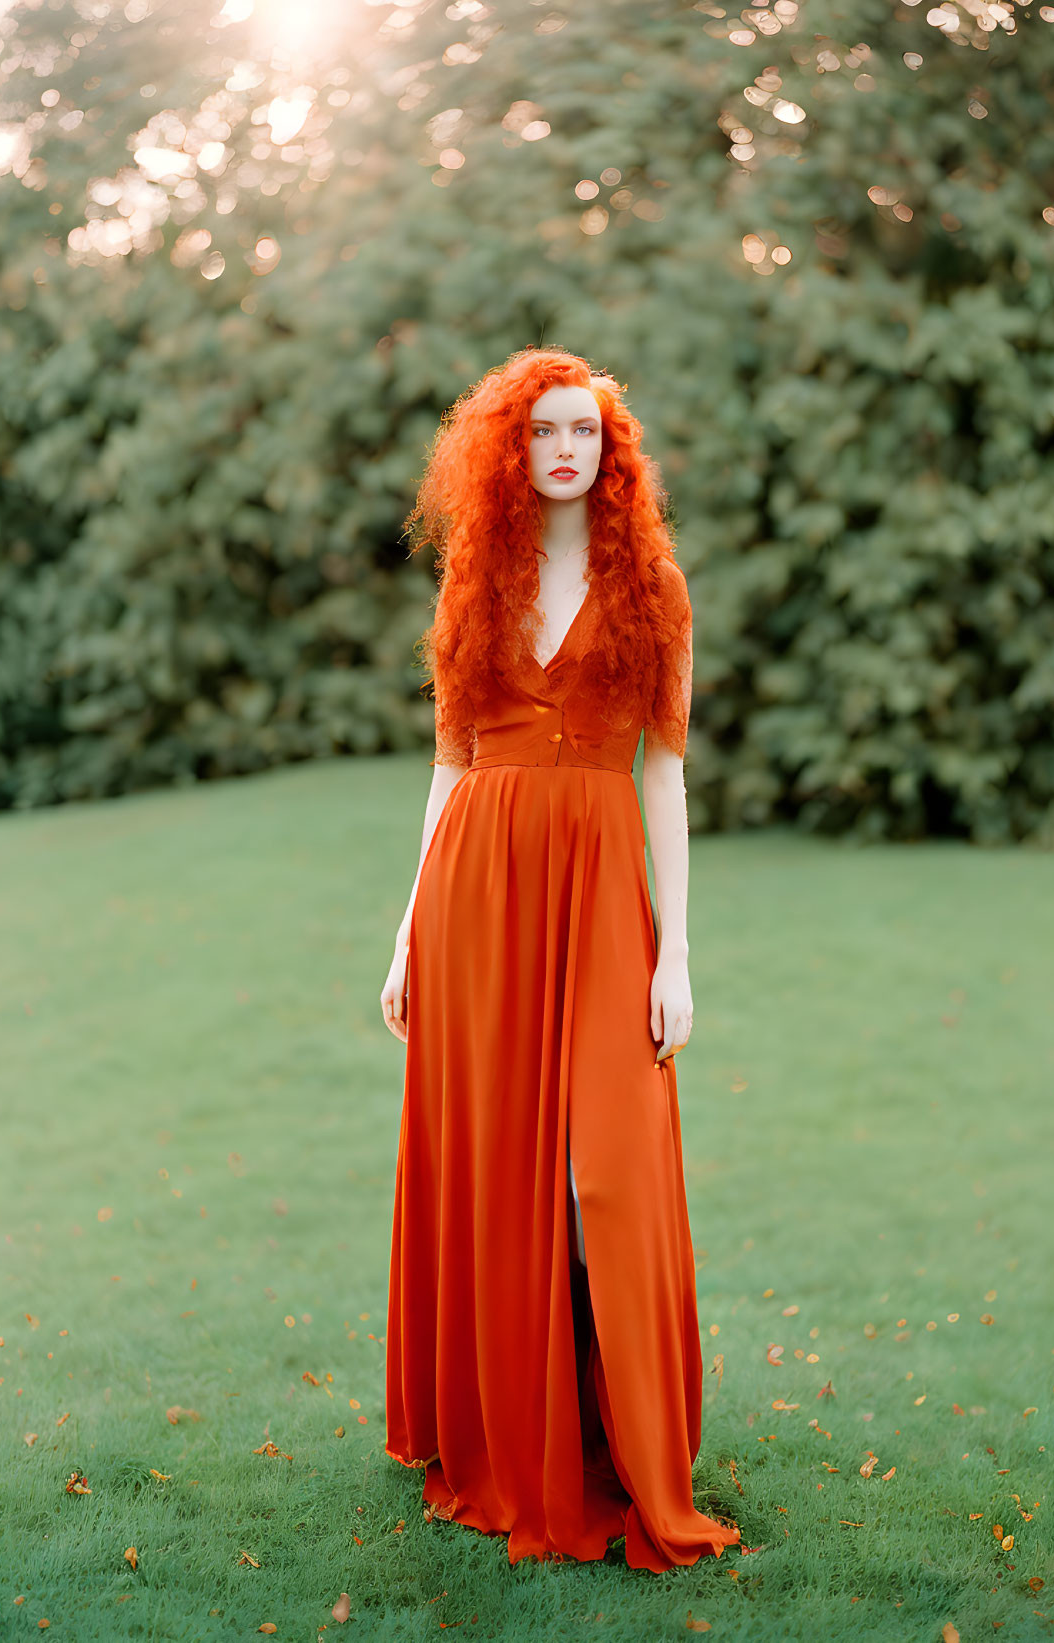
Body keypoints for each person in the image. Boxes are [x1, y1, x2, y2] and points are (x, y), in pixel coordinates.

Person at [379, 345, 740, 1572]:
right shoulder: (478, 578)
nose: (566, 448)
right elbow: (449, 763)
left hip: (599, 894)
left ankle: (624, 1436)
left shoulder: (656, 588)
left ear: (612, 450)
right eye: (543, 431)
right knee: (495, 1164)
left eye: (585, 429)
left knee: (607, 1179)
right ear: (513, 452)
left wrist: (675, 949)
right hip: (475, 888)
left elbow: (667, 778)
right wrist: (404, 928)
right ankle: (504, 1431)